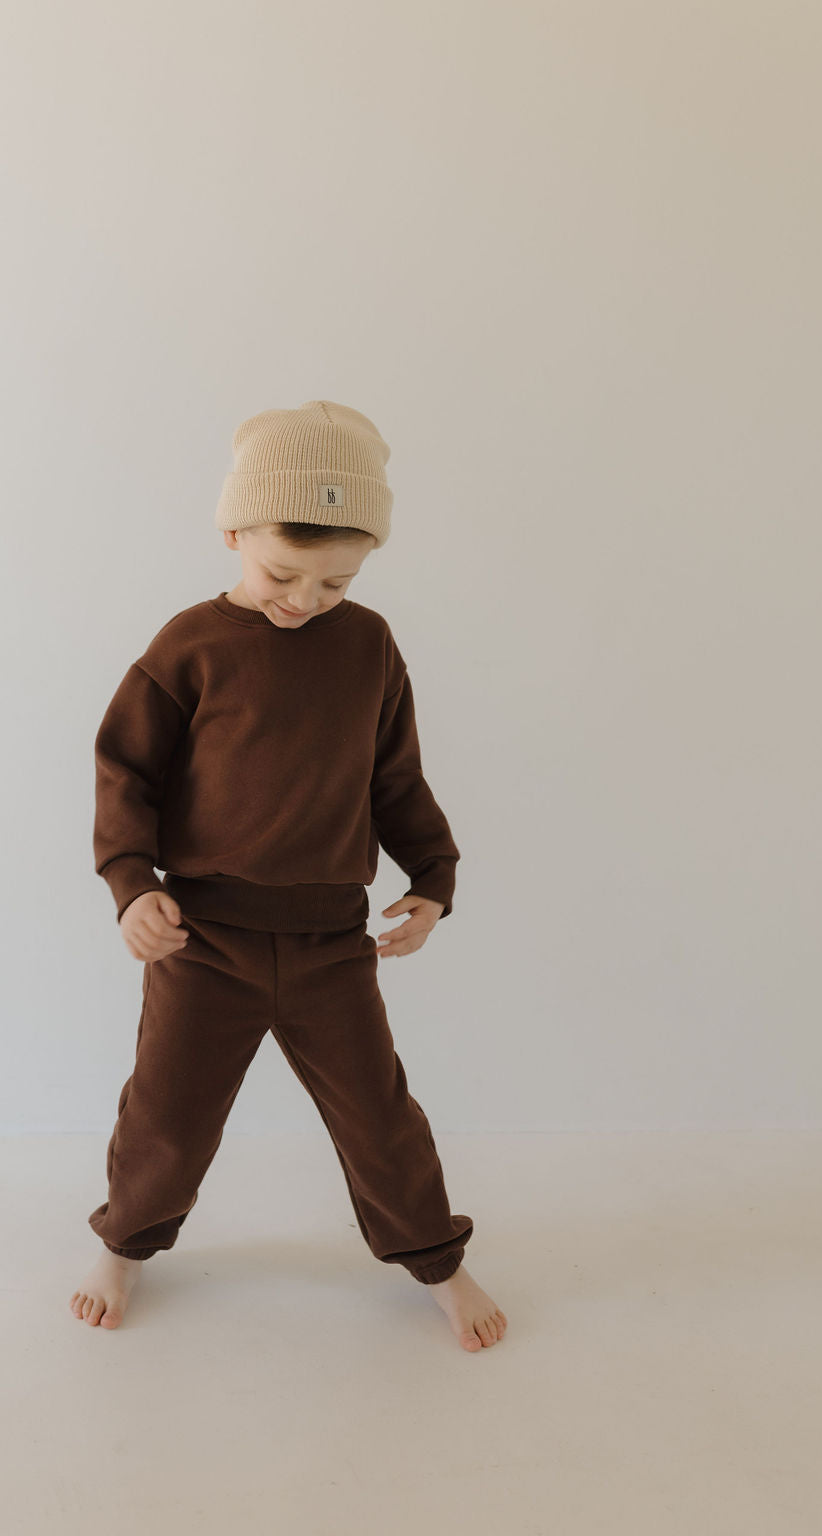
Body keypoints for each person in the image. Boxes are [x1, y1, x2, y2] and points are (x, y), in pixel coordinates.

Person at [70, 400, 507, 1352]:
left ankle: (437, 1261)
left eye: (336, 580)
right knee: (167, 1118)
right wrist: (132, 885)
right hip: (203, 941)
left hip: (329, 945)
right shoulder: (189, 647)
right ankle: (124, 1244)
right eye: (281, 572)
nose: (305, 599)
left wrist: (432, 878)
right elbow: (125, 774)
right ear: (233, 531)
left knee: (380, 1117)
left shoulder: (370, 648)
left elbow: (395, 780)